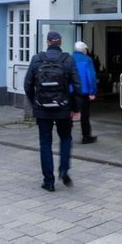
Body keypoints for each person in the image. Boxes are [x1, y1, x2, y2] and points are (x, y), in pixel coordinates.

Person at [24, 31, 81, 192]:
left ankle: (48, 181)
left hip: (42, 109)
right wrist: (75, 108)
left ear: (47, 42)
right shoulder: (68, 59)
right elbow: (77, 86)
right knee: (65, 139)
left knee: (45, 144)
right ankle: (63, 170)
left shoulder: (37, 59)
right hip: (63, 108)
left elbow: (27, 85)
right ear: (60, 42)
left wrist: (34, 101)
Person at [72, 41, 97, 144]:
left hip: (70, 91)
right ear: (83, 50)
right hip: (83, 92)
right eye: (86, 50)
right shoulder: (87, 60)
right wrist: (93, 92)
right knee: (85, 115)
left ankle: (66, 137)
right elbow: (91, 77)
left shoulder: (68, 59)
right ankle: (86, 137)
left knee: (69, 114)